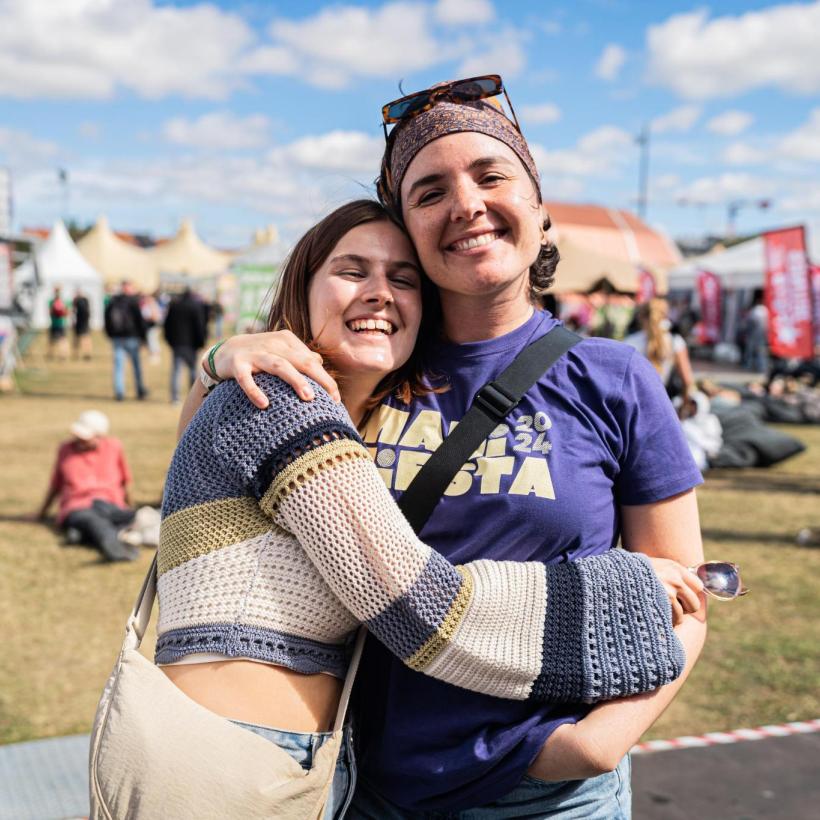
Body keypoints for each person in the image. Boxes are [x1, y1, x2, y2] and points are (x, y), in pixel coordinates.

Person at [196, 76, 708, 818]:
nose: (466, 203)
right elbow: (208, 458)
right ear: (407, 227)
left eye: (490, 176)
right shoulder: (368, 366)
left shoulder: (614, 377)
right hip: (364, 785)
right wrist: (219, 357)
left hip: (546, 795)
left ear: (538, 206)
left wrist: (592, 745)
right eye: (430, 192)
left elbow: (687, 594)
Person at [35, 410, 138, 562]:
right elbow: (55, 485)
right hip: (79, 506)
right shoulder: (65, 449)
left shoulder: (114, 447)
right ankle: (117, 551)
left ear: (99, 436)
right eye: (78, 437)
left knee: (136, 517)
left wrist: (130, 506)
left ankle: (80, 535)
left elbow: (125, 482)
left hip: (110, 504)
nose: (79, 441)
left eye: (85, 439)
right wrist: (42, 514)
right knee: (95, 522)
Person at [624, 297, 695, 399]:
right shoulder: (675, 341)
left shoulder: (630, 342)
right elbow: (687, 380)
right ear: (665, 316)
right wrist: (685, 403)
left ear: (641, 317)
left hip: (636, 400)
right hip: (664, 400)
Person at [104, 280, 148, 401]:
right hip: (132, 337)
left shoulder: (113, 301)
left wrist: (110, 334)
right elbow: (140, 321)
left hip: (118, 337)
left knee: (118, 366)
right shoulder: (133, 301)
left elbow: (106, 318)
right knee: (136, 365)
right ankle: (140, 390)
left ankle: (119, 392)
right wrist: (143, 337)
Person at [163, 287, 207, 403]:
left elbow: (167, 325)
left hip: (177, 343)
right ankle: (193, 397)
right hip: (191, 344)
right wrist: (201, 342)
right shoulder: (195, 306)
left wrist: (169, 341)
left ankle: (175, 397)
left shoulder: (174, 306)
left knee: (176, 370)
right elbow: (200, 325)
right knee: (192, 370)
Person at [47, 285, 70, 360]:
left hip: (57, 323)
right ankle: (61, 355)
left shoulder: (52, 301)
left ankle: (53, 354)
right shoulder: (63, 301)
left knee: (55, 340)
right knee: (61, 340)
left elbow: (50, 312)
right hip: (60, 323)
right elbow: (67, 313)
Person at [72, 288, 92, 360]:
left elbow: (74, 311)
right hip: (83, 322)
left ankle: (78, 353)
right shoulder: (85, 300)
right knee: (84, 338)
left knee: (80, 338)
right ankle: (85, 353)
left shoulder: (77, 300)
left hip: (81, 322)